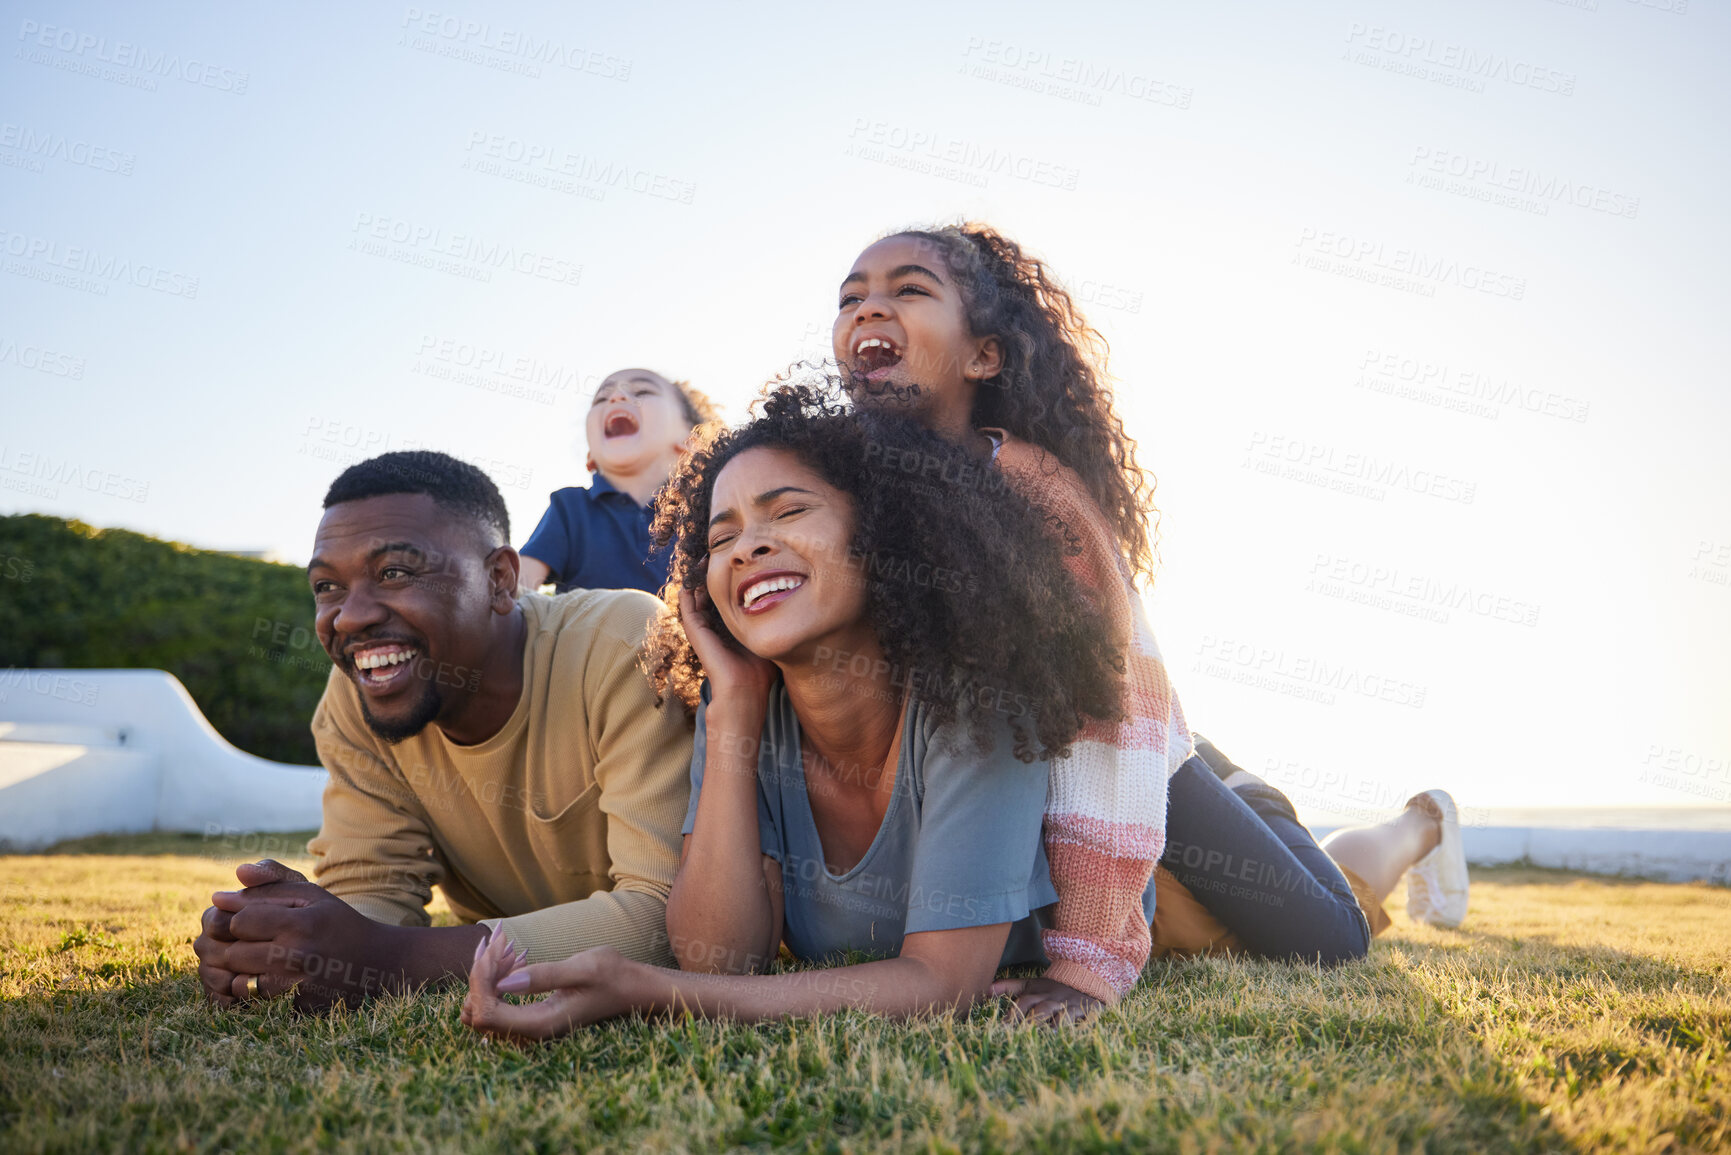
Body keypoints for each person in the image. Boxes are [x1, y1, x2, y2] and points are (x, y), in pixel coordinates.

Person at [830, 225, 1468, 1022]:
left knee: (1325, 932)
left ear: (983, 356)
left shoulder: (1040, 502)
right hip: (1016, 777)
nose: (867, 308)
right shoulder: (830, 481)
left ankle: (1405, 820)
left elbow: (1105, 729)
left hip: (1137, 748)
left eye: (907, 289)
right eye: (850, 296)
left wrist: (1088, 962)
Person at [461, 388, 1130, 1038]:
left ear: (880, 532)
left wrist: (652, 991)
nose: (747, 547)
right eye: (721, 540)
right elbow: (717, 955)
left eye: (786, 512)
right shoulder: (742, 715)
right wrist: (735, 713)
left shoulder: (973, 697)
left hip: (1153, 842)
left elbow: (941, 981)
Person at [192, 450, 694, 1012]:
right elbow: (372, 888)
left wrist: (393, 960)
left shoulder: (622, 641)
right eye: (327, 587)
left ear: (501, 580)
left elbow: (668, 919)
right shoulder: (356, 697)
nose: (349, 617)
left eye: (395, 573)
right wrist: (292, 934)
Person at [518, 368, 718, 595]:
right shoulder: (570, 508)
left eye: (642, 391)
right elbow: (516, 591)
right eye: (602, 398)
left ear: (691, 443)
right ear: (590, 455)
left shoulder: (705, 516)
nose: (616, 397)